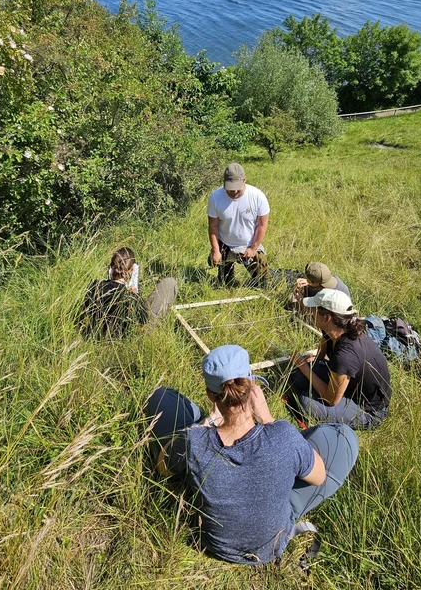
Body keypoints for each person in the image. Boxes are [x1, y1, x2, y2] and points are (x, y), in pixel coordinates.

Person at [145, 345, 359, 565]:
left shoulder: (194, 442)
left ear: (210, 394)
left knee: (161, 397)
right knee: (342, 436)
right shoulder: (284, 435)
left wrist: (206, 423)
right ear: (252, 385)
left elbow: (163, 467)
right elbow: (319, 476)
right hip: (271, 545)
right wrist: (268, 419)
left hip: (214, 545)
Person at [287, 289, 391, 430]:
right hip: (349, 385)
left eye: (314, 309)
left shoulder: (345, 355)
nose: (310, 313)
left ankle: (360, 418)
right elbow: (324, 342)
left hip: (367, 409)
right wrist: (317, 361)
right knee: (296, 375)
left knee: (307, 402)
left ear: (326, 317)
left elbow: (331, 399)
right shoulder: (337, 328)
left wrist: (303, 366)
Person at [82, 246, 177, 338]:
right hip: (124, 338)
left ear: (111, 267)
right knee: (169, 283)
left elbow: (86, 310)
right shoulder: (131, 298)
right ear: (132, 270)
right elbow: (142, 320)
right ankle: (147, 334)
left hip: (96, 334)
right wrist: (136, 295)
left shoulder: (94, 286)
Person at [207, 163, 271, 287]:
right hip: (225, 244)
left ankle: (259, 277)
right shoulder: (215, 197)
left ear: (244, 180)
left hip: (249, 244)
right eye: (230, 188)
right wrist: (216, 251)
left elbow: (262, 225)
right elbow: (213, 226)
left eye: (237, 187)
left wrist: (253, 248)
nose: (234, 191)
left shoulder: (258, 197)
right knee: (224, 283)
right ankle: (226, 270)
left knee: (262, 284)